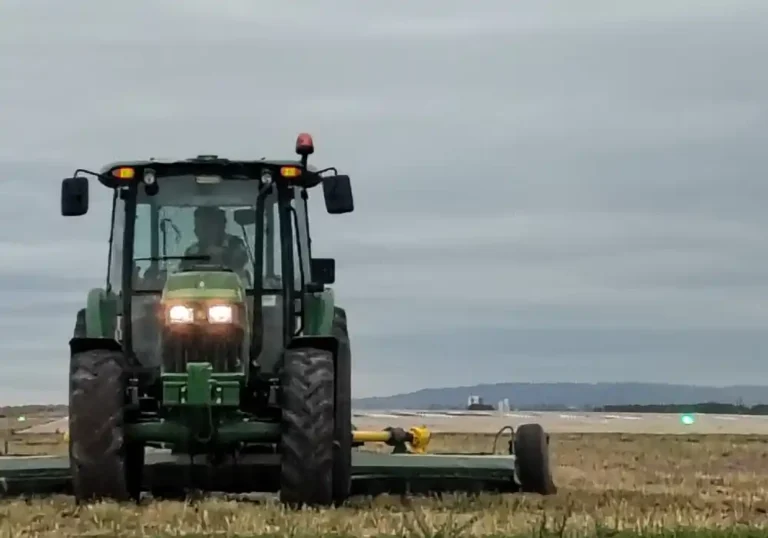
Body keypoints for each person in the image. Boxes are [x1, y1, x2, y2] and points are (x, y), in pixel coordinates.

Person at [181, 206, 250, 275]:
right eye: (198, 226)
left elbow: (241, 260)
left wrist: (224, 255)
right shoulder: (192, 251)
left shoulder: (235, 243)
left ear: (220, 226)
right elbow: (183, 270)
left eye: (205, 226)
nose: (197, 231)